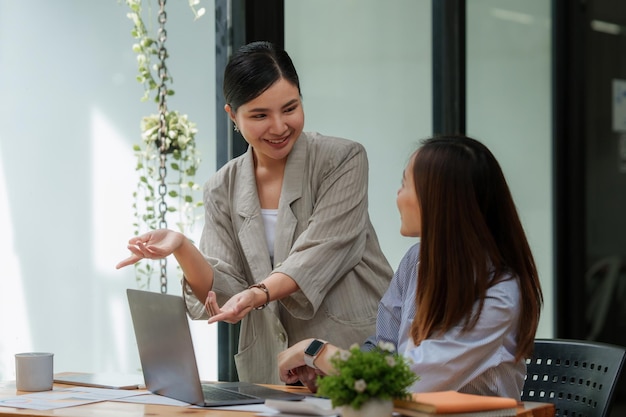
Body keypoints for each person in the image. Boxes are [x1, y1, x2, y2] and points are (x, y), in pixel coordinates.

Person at [116, 41, 393, 384]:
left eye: (290, 108)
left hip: (349, 357)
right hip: (270, 371)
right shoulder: (221, 188)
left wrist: (257, 293)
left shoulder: (342, 160)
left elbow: (321, 253)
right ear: (232, 115)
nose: (278, 127)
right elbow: (224, 293)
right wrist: (182, 247)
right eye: (260, 115)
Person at [278, 135, 544, 400]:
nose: (398, 194)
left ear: (439, 199)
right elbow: (384, 351)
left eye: (405, 184)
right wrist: (334, 375)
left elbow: (410, 381)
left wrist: (316, 351)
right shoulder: (416, 261)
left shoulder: (498, 295)